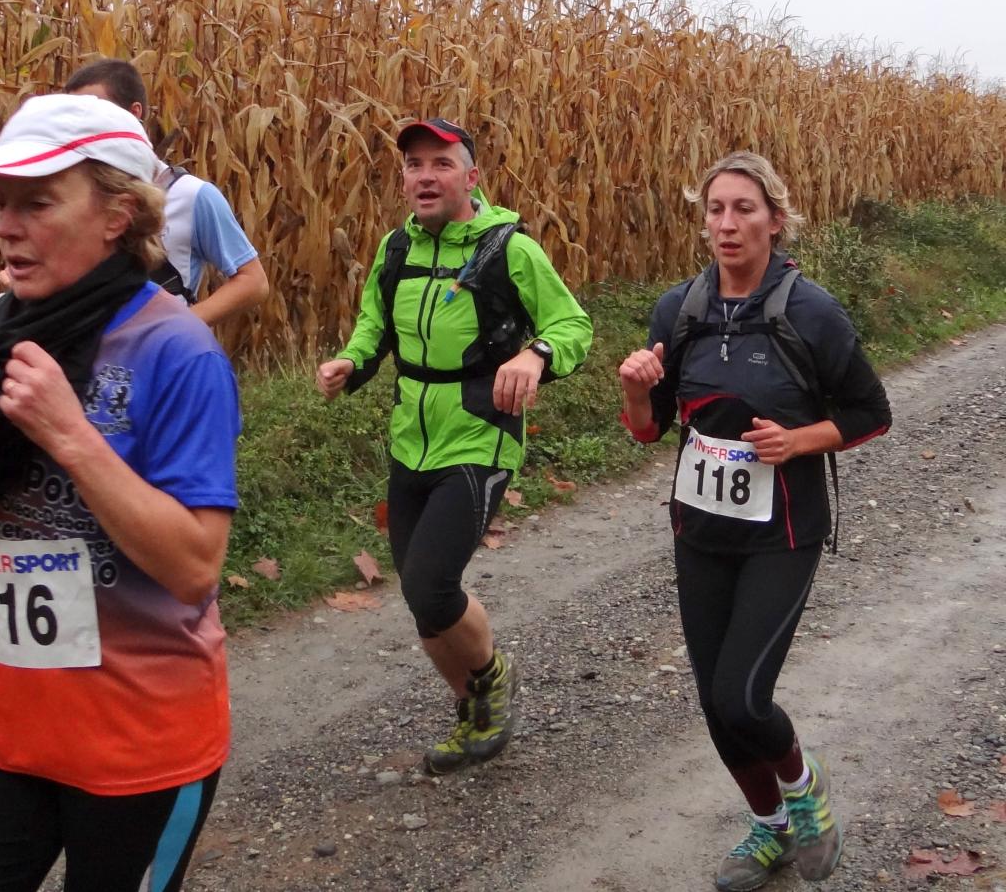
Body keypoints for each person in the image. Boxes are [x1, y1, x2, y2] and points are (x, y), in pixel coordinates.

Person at [0, 93, 241, 892]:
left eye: (37, 203)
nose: (6, 226)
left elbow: (194, 567)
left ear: (117, 215)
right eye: (0, 204)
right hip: (0, 731)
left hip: (142, 747)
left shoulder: (177, 348)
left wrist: (71, 436)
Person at [617, 151, 891, 890]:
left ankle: (805, 790)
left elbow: (871, 412)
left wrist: (798, 441)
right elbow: (649, 430)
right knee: (716, 704)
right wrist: (637, 392)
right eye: (716, 209)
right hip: (700, 531)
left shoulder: (812, 313)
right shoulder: (679, 309)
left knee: (742, 695)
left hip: (784, 534)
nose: (728, 223)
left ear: (775, 219)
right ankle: (770, 828)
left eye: (744, 208)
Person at [316, 118, 593, 775]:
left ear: (471, 178)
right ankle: (476, 710)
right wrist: (352, 362)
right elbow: (374, 325)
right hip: (410, 437)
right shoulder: (395, 249)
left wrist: (536, 355)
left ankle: (492, 678)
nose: (425, 176)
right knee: (423, 603)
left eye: (441, 164)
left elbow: (572, 324)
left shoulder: (508, 249)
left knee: (432, 585)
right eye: (414, 165)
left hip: (479, 434)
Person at [64, 58, 269, 326]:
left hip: (158, 350)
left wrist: (180, 327)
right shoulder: (70, 196)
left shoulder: (193, 195)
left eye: (95, 113)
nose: (81, 126)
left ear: (134, 113)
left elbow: (253, 281)